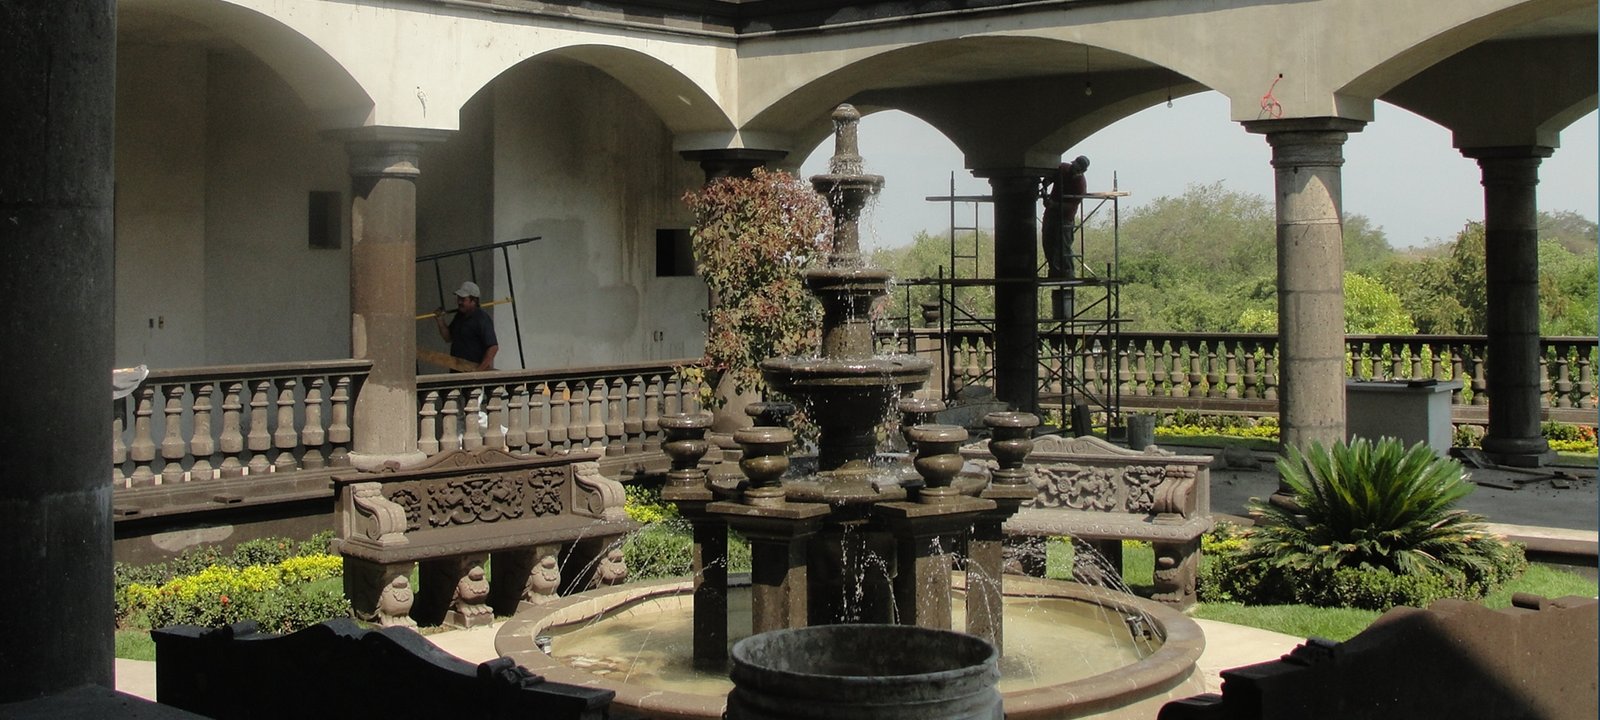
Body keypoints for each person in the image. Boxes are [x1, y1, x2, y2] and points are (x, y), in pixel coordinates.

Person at [1040, 155, 1089, 319]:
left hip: (1065, 217)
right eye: (1074, 165)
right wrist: (1046, 184)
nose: (1073, 169)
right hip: (1051, 214)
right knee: (1048, 241)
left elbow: (1071, 205)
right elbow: (1051, 176)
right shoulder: (1063, 168)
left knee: (1063, 245)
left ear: (1081, 171)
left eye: (1077, 169)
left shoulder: (1080, 185)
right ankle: (1055, 271)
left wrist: (1054, 204)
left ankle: (1067, 272)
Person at [434, 280, 499, 371]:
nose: (459, 302)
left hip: (472, 372)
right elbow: (448, 338)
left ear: (474, 301)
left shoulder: (482, 319)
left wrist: (478, 371)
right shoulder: (459, 316)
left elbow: (493, 348)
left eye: (463, 299)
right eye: (458, 298)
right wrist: (440, 320)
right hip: (456, 371)